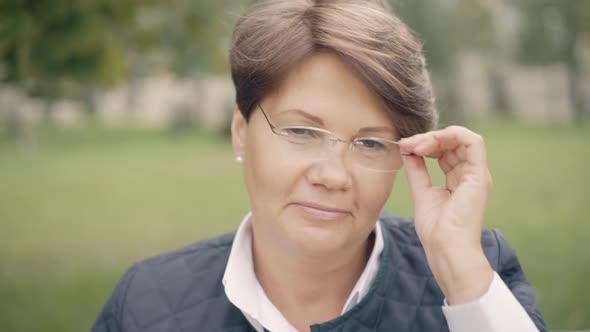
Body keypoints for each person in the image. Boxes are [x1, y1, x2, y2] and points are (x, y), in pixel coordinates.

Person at [92, 0, 547, 331]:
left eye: (370, 143)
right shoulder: (148, 304)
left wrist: (460, 270)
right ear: (240, 131)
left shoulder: (476, 268)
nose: (332, 176)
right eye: (301, 132)